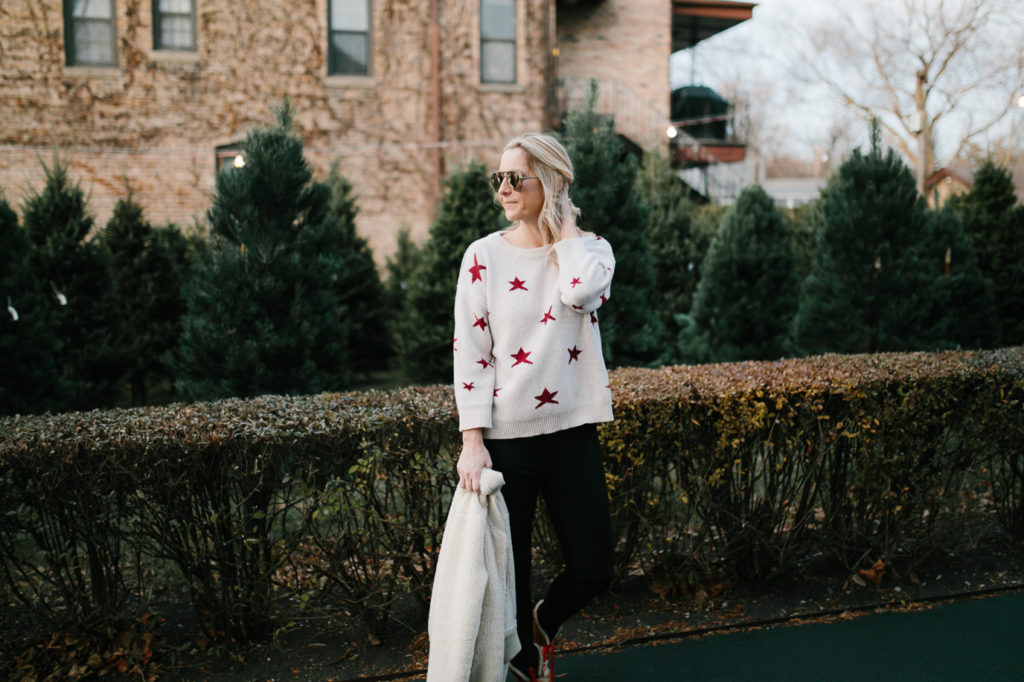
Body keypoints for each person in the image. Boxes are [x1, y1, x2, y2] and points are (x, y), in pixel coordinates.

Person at [452, 132, 615, 682]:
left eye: (515, 178)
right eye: (497, 177)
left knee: (594, 568)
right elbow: (471, 354)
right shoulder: (483, 256)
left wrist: (564, 229)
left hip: (572, 430)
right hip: (506, 439)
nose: (503, 188)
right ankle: (524, 665)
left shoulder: (591, 250)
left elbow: (578, 292)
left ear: (547, 181)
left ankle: (546, 623)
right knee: (511, 576)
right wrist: (472, 443)